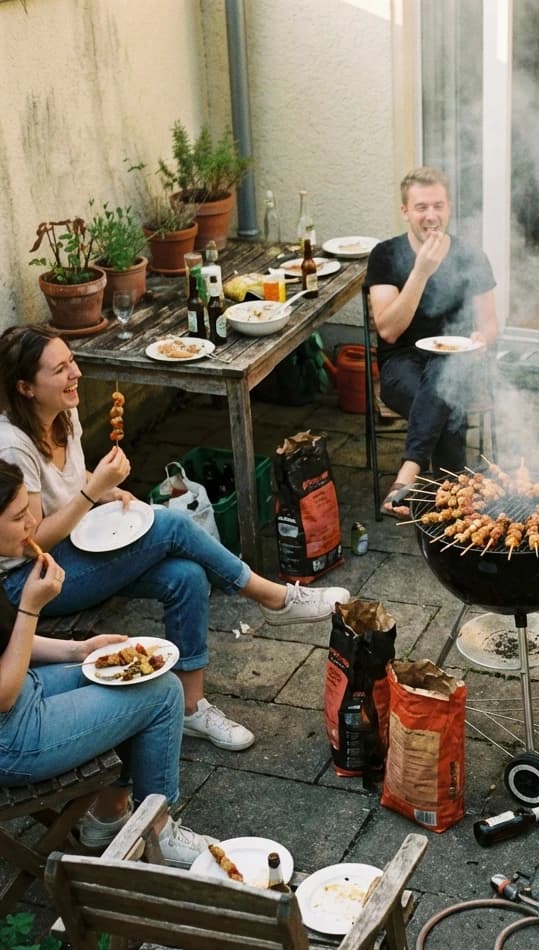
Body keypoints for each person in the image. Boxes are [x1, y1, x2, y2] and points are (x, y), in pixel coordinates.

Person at [0, 325, 351, 753]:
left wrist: (106, 490)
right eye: (60, 369)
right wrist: (93, 492)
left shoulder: (63, 413)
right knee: (170, 524)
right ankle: (274, 598)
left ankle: (190, 709)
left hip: (77, 552)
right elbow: (30, 537)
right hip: (30, 580)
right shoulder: (13, 447)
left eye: (72, 361)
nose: (76, 373)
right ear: (26, 387)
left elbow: (72, 481)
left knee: (186, 575)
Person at [0, 459, 217, 866]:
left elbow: (8, 642)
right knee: (162, 693)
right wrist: (31, 607)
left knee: (125, 670)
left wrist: (79, 650)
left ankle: (107, 818)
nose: (32, 522)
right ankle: (159, 831)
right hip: (11, 739)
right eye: (17, 517)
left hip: (27, 690)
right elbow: (4, 696)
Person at [365, 166, 499, 518]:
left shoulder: (471, 256)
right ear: (405, 211)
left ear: (449, 207)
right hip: (401, 365)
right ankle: (455, 502)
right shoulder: (385, 255)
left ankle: (408, 480)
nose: (431, 215)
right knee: (447, 406)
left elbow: (489, 325)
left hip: (460, 363)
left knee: (448, 372)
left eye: (438, 206)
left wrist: (481, 338)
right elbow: (388, 330)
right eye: (421, 207)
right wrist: (421, 271)